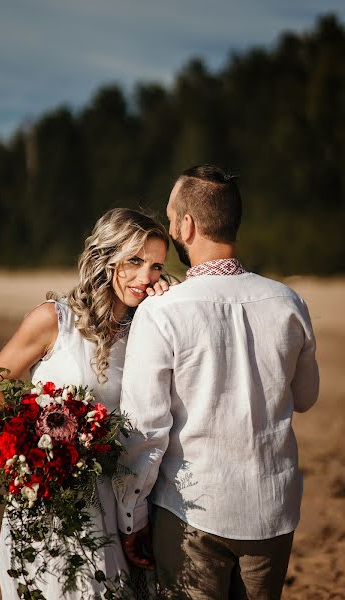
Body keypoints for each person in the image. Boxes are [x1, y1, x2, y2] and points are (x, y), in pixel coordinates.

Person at [116, 165, 319, 600]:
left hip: (192, 510)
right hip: (273, 508)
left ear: (186, 225)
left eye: (172, 218)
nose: (170, 228)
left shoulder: (162, 311)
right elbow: (305, 398)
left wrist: (132, 514)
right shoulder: (288, 301)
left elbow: (144, 430)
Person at [0, 208, 170, 599]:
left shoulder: (150, 330)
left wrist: (168, 308)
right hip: (48, 499)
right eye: (134, 260)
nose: (145, 276)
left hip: (118, 500)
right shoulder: (54, 320)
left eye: (156, 266)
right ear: (106, 257)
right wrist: (28, 450)